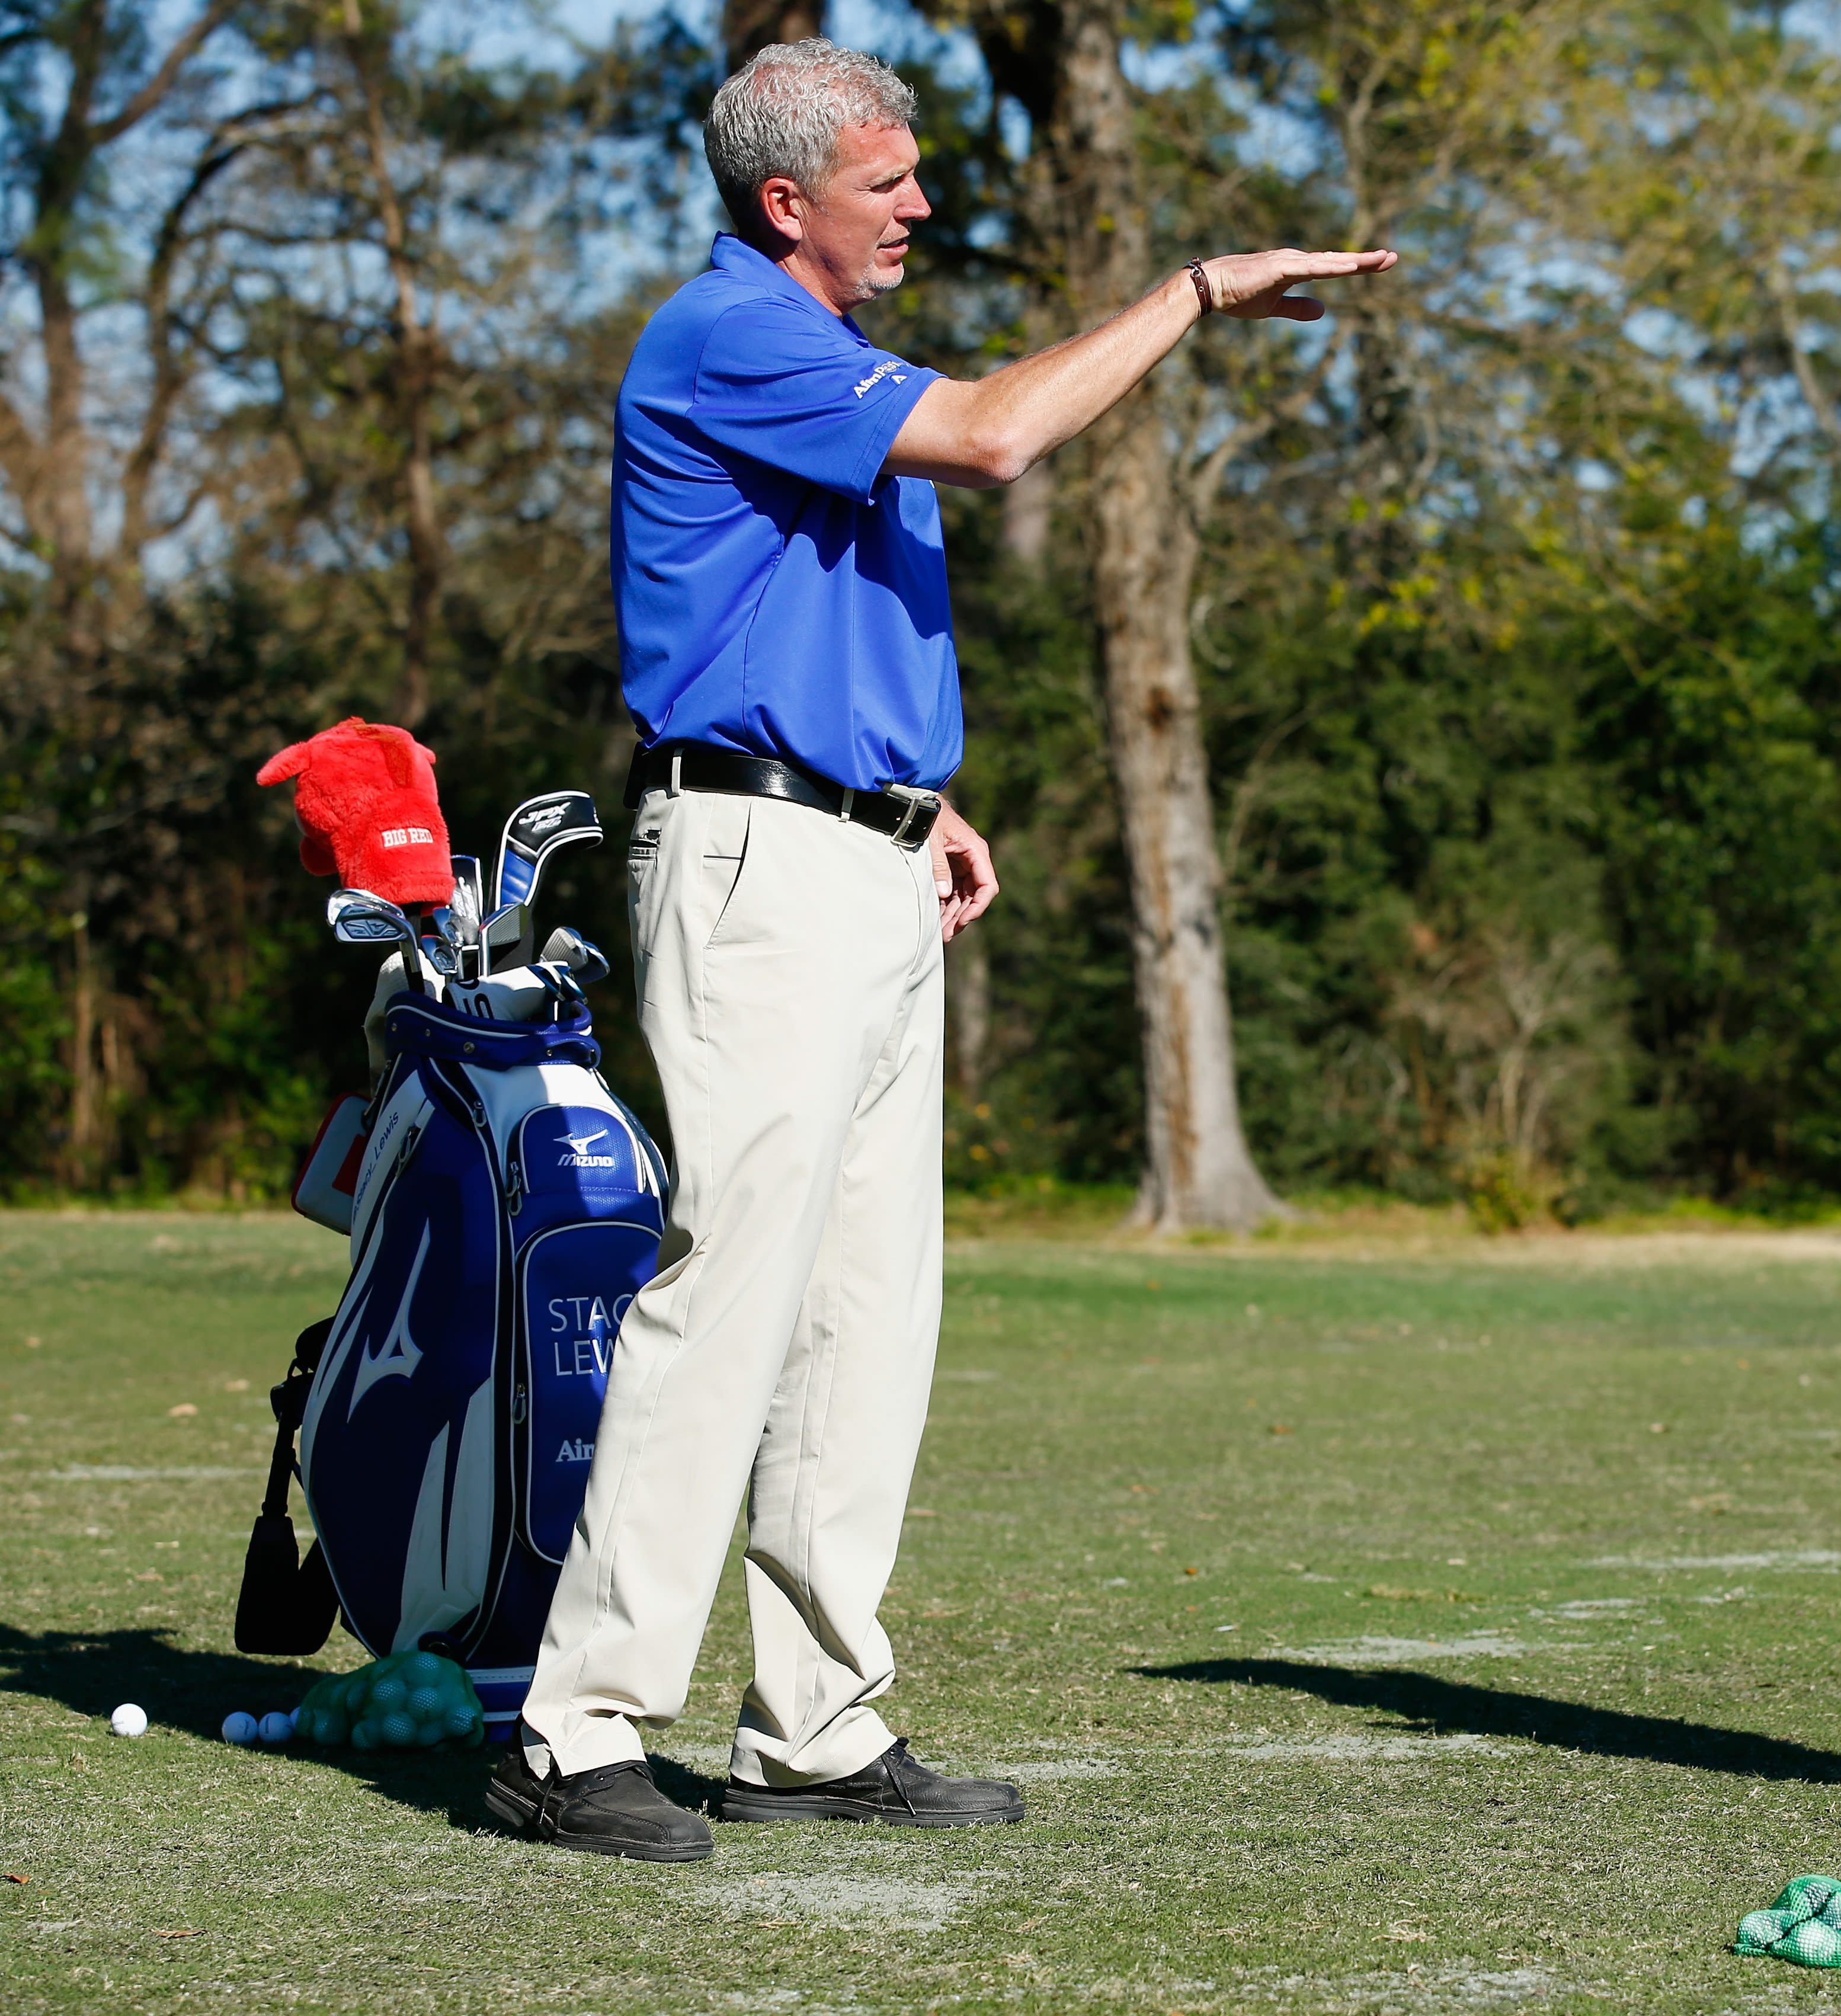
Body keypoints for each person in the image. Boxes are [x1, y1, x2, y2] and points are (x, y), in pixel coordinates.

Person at [485, 38, 1394, 1861]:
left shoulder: (822, 358)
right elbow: (996, 436)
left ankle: (813, 1720)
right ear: (785, 202)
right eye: (889, 182)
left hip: (864, 856)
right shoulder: (730, 330)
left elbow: (813, 608)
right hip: (758, 866)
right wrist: (1197, 291)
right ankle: (570, 1729)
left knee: (863, 1313)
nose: (921, 206)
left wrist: (915, 800)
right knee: (728, 1291)